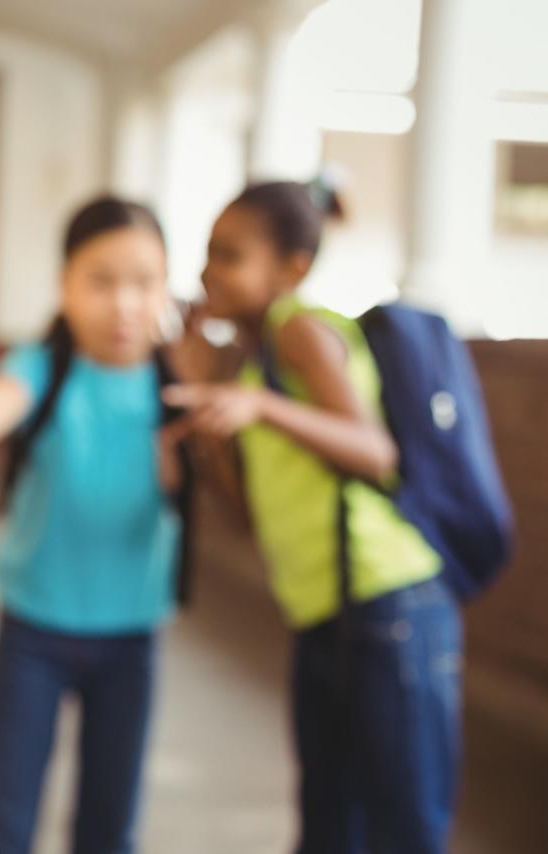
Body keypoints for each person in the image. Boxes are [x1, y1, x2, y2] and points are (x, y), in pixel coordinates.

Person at [166, 180, 462, 854]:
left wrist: (264, 410)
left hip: (390, 605)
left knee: (404, 825)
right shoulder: (248, 359)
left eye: (229, 255)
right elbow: (245, 520)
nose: (207, 270)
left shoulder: (299, 329)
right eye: (207, 252)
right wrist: (208, 430)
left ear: (290, 269)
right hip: (323, 613)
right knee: (328, 824)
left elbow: (376, 454)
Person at [0, 197, 186, 854]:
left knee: (109, 823)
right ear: (65, 284)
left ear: (166, 287)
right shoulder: (45, 367)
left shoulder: (177, 386)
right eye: (101, 280)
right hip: (35, 629)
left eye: (144, 282)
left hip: (131, 636)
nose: (123, 303)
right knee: (5, 814)